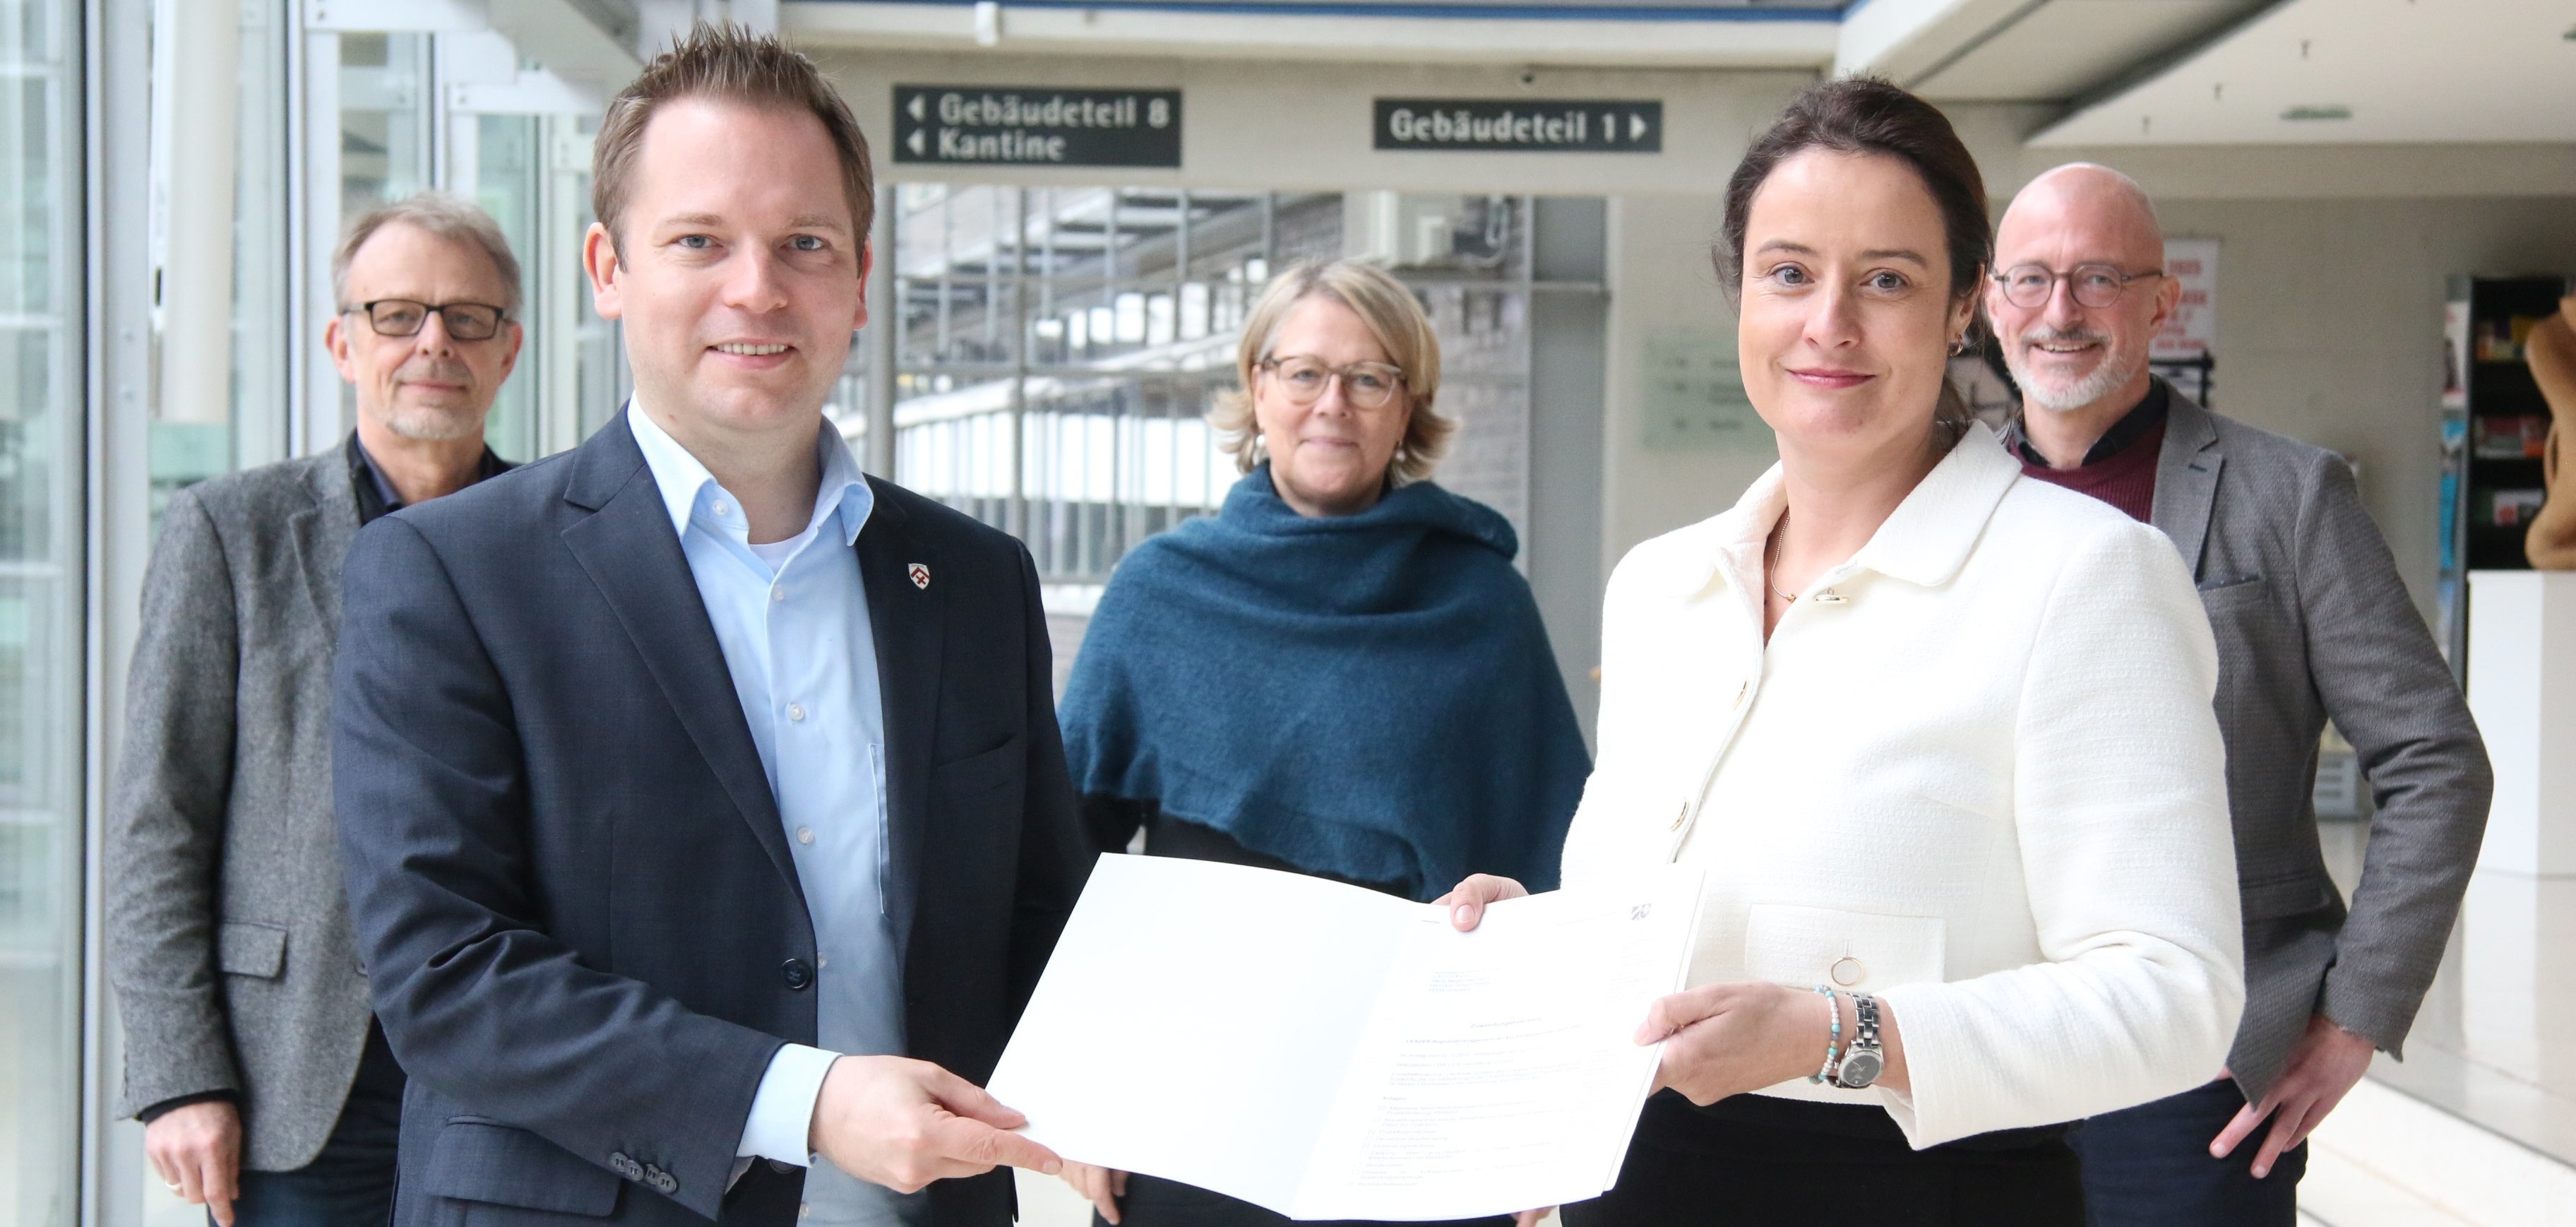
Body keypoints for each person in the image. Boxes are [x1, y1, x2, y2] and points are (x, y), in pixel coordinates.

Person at [1439, 78, 2246, 1226]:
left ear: (1965, 303)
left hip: (1920, 1195)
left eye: (1887, 279)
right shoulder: (1662, 586)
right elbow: (1667, 925)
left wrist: (1841, 1033)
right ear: (1741, 296)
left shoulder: (2083, 576)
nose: (1830, 322)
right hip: (1635, 1186)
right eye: (1788, 272)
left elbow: (2177, 995)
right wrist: (1538, 950)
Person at [330, 26, 1087, 1227]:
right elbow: (448, 975)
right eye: (699, 241)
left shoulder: (977, 581)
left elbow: (1053, 929)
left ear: (860, 279)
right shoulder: (447, 573)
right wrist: (808, 1099)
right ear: (607, 267)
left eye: (804, 244)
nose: (758, 288)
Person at [1988, 163, 2493, 1226]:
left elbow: (2433, 757)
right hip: (1980, 1040)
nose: (2059, 312)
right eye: (2029, 279)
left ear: (2163, 302)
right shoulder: (1938, 504)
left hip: (2201, 1061)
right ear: (1989, 300)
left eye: (2098, 280)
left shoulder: (2289, 496)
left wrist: (2354, 1016)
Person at [1051, 259, 1592, 1227]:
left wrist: (1536, 1114)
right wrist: (1081, 1091)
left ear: (1409, 404)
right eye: (1302, 372)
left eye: (1368, 377)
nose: (1331, 403)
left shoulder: (1483, 605)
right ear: (1257, 387)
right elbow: (1053, 855)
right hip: (1189, 1102)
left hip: (1413, 1107)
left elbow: (1557, 870)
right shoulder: (1160, 593)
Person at [105, 191, 524, 1227]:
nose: (434, 341)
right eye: (397, 314)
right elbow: (161, 817)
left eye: (468, 317)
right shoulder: (231, 532)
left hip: (511, 1073)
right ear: (344, 343)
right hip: (295, 1075)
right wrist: (177, 1073)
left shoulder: (554, 542)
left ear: (509, 350)